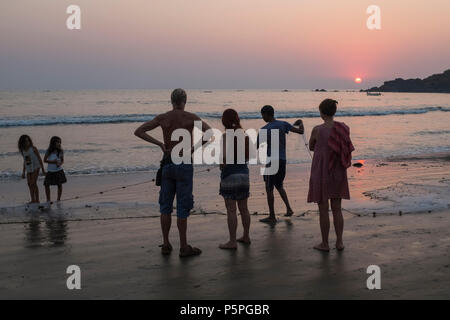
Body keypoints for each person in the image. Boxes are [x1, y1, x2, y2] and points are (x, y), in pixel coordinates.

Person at [134, 88, 211, 258]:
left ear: (171, 100)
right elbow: (210, 133)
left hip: (168, 163)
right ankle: (184, 246)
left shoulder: (163, 117)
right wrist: (192, 149)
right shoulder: (190, 117)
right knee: (182, 206)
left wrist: (160, 144)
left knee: (165, 206)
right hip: (183, 163)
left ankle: (167, 244)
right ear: (185, 100)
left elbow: (139, 131)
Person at [307, 99, 354, 252]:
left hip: (322, 171)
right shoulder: (344, 128)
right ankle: (339, 242)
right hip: (338, 170)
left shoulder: (317, 130)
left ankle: (325, 243)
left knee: (323, 209)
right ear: (334, 111)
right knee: (337, 208)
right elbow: (346, 147)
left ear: (321, 112)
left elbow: (312, 146)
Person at [257, 105, 304, 224]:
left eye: (263, 115)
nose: (262, 117)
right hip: (282, 160)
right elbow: (300, 131)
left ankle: (272, 216)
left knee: (269, 188)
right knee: (279, 185)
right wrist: (300, 122)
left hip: (271, 161)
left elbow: (256, 147)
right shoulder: (283, 124)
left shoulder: (264, 129)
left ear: (267, 114)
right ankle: (288, 208)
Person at [218, 109, 251, 250]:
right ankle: (246, 236)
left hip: (230, 175)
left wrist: (222, 165)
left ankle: (232, 241)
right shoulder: (245, 136)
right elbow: (247, 157)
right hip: (244, 175)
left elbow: (223, 161)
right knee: (244, 208)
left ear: (224, 121)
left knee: (231, 210)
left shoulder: (225, 137)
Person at [18, 135, 46, 204]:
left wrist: (43, 169)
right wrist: (23, 172)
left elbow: (39, 159)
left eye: (28, 141)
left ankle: (37, 200)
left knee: (33, 183)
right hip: (28, 167)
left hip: (36, 166)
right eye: (25, 141)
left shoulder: (33, 148)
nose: (27, 143)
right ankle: (33, 200)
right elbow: (25, 161)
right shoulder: (23, 150)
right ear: (22, 143)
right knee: (29, 184)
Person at [43, 136, 67, 203]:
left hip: (59, 170)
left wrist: (60, 164)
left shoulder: (61, 151)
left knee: (59, 184)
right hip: (50, 170)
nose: (59, 143)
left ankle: (58, 199)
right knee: (46, 185)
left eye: (60, 142)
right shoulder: (49, 151)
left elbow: (62, 160)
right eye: (57, 142)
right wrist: (53, 162)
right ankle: (48, 199)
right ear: (53, 143)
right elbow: (44, 160)